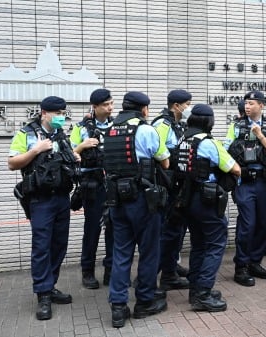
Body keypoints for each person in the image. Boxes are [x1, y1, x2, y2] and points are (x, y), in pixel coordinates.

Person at [9, 96, 80, 320]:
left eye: (63, 112)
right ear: (44, 113)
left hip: (61, 198)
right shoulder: (27, 133)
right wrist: (35, 150)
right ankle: (43, 295)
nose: (61, 116)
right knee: (41, 247)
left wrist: (74, 157)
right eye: (57, 113)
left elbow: (68, 161)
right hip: (40, 200)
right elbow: (12, 162)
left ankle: (51, 286)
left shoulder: (61, 135)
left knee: (59, 244)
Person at [105, 91, 170, 328]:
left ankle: (118, 307)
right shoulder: (145, 130)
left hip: (116, 200)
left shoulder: (108, 130)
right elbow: (165, 161)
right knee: (149, 251)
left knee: (121, 252)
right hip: (142, 199)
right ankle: (144, 301)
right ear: (143, 110)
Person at [173, 104, 241, 312]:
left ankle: (195, 288)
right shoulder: (209, 143)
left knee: (199, 244)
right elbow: (235, 168)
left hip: (186, 199)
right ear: (208, 122)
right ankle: (203, 293)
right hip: (206, 201)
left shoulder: (183, 140)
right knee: (216, 244)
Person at [225, 90, 266, 287]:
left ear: (261, 105)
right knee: (247, 223)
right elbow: (225, 152)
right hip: (244, 182)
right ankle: (241, 266)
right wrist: (238, 172)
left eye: (251, 103)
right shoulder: (235, 126)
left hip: (263, 183)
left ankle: (255, 262)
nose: (247, 106)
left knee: (261, 224)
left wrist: (260, 136)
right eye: (246, 103)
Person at [70, 88, 115, 289]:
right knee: (92, 229)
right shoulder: (81, 128)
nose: (110, 107)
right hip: (92, 184)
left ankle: (111, 271)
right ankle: (87, 271)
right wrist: (82, 146)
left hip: (113, 184)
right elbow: (70, 154)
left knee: (114, 228)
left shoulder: (117, 125)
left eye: (111, 103)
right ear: (94, 107)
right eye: (106, 104)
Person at [153, 89, 191, 291]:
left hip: (177, 184)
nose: (188, 109)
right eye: (186, 104)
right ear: (176, 106)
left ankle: (170, 268)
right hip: (166, 184)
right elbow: (156, 150)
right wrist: (169, 162)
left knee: (176, 230)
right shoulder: (163, 124)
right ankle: (158, 273)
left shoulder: (177, 124)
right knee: (167, 231)